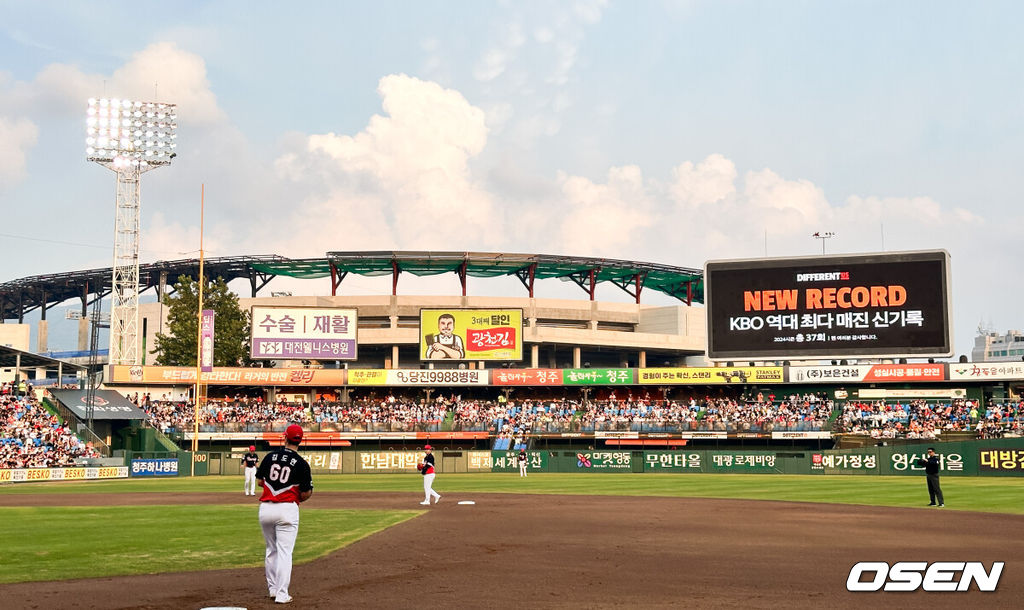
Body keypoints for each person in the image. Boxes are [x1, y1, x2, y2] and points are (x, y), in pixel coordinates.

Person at [256, 424, 314, 604]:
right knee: (284, 553)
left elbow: (259, 482)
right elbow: (306, 493)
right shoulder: (302, 464)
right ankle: (281, 594)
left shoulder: (269, 456)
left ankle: (272, 589)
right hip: (287, 509)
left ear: (285, 437)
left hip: (266, 508)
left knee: (271, 550)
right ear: (301, 440)